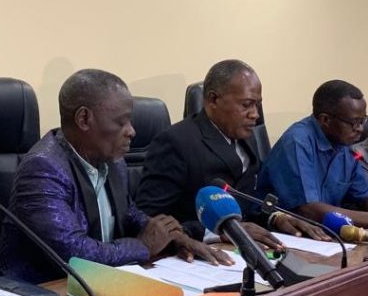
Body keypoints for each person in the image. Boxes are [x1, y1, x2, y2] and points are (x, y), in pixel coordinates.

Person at [0, 69, 224, 284]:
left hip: (102, 284)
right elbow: (75, 255)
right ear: (84, 119)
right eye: (121, 122)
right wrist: (144, 246)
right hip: (42, 293)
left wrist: (174, 238)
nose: (132, 131)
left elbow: (128, 214)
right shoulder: (43, 168)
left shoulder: (112, 161)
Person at [136, 59, 322, 244]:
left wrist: (276, 217)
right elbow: (149, 221)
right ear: (213, 100)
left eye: (257, 105)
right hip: (195, 252)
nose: (255, 114)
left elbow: (248, 200)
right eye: (246, 104)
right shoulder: (176, 142)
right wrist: (221, 232)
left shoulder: (246, 136)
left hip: (243, 248)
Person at [257, 80, 368, 234]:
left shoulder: (344, 147)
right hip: (282, 233)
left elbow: (364, 197)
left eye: (363, 121)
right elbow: (309, 210)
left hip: (325, 233)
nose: (360, 129)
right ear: (325, 119)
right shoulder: (298, 142)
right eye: (354, 123)